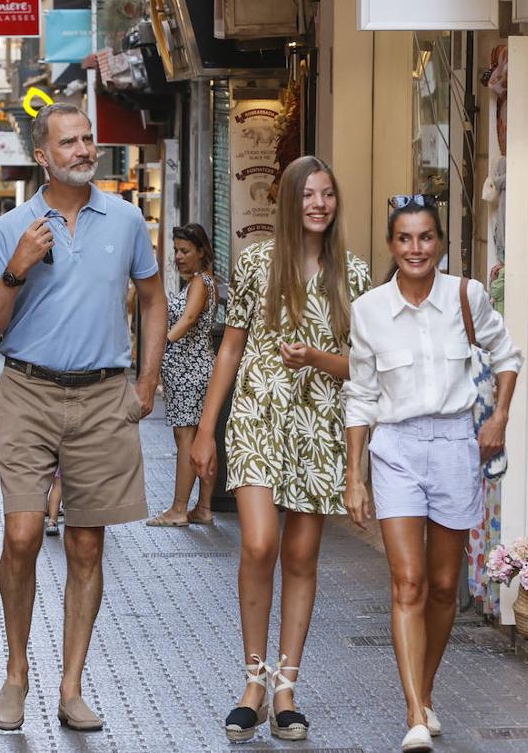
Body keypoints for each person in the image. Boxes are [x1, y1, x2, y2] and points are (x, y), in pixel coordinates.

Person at [0, 102, 168, 732]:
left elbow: (155, 299)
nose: (85, 149)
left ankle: (71, 686)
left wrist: (146, 382)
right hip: (28, 390)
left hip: (105, 396)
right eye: (70, 142)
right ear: (42, 155)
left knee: (86, 544)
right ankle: (16, 671)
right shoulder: (14, 228)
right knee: (23, 535)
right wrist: (16, 268)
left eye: (89, 139)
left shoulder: (128, 218)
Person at [192, 156, 371, 743]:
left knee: (300, 559)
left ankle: (285, 688)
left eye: (328, 195)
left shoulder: (356, 275)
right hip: (257, 418)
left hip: (319, 426)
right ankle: (252, 680)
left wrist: (317, 359)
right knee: (260, 543)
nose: (319, 204)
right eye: (308, 196)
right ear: (289, 203)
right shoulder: (255, 264)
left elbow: (366, 372)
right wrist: (204, 429)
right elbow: (229, 350)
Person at [343, 195, 521, 753]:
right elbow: (361, 395)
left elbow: (508, 355)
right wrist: (355, 474)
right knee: (410, 582)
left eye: (425, 238)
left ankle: (426, 690)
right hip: (394, 447)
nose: (415, 248)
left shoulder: (466, 296)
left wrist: (498, 421)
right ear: (391, 246)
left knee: (446, 586)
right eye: (404, 239)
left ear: (440, 243)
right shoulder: (369, 309)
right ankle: (414, 712)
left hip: (454, 444)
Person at [147, 223, 219, 528]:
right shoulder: (201, 281)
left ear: (201, 252)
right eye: (176, 250)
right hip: (191, 369)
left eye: (184, 251)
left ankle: (178, 509)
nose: (177, 256)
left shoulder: (200, 283)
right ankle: (202, 507)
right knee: (202, 438)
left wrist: (160, 344)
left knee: (187, 439)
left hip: (191, 369)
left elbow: (189, 318)